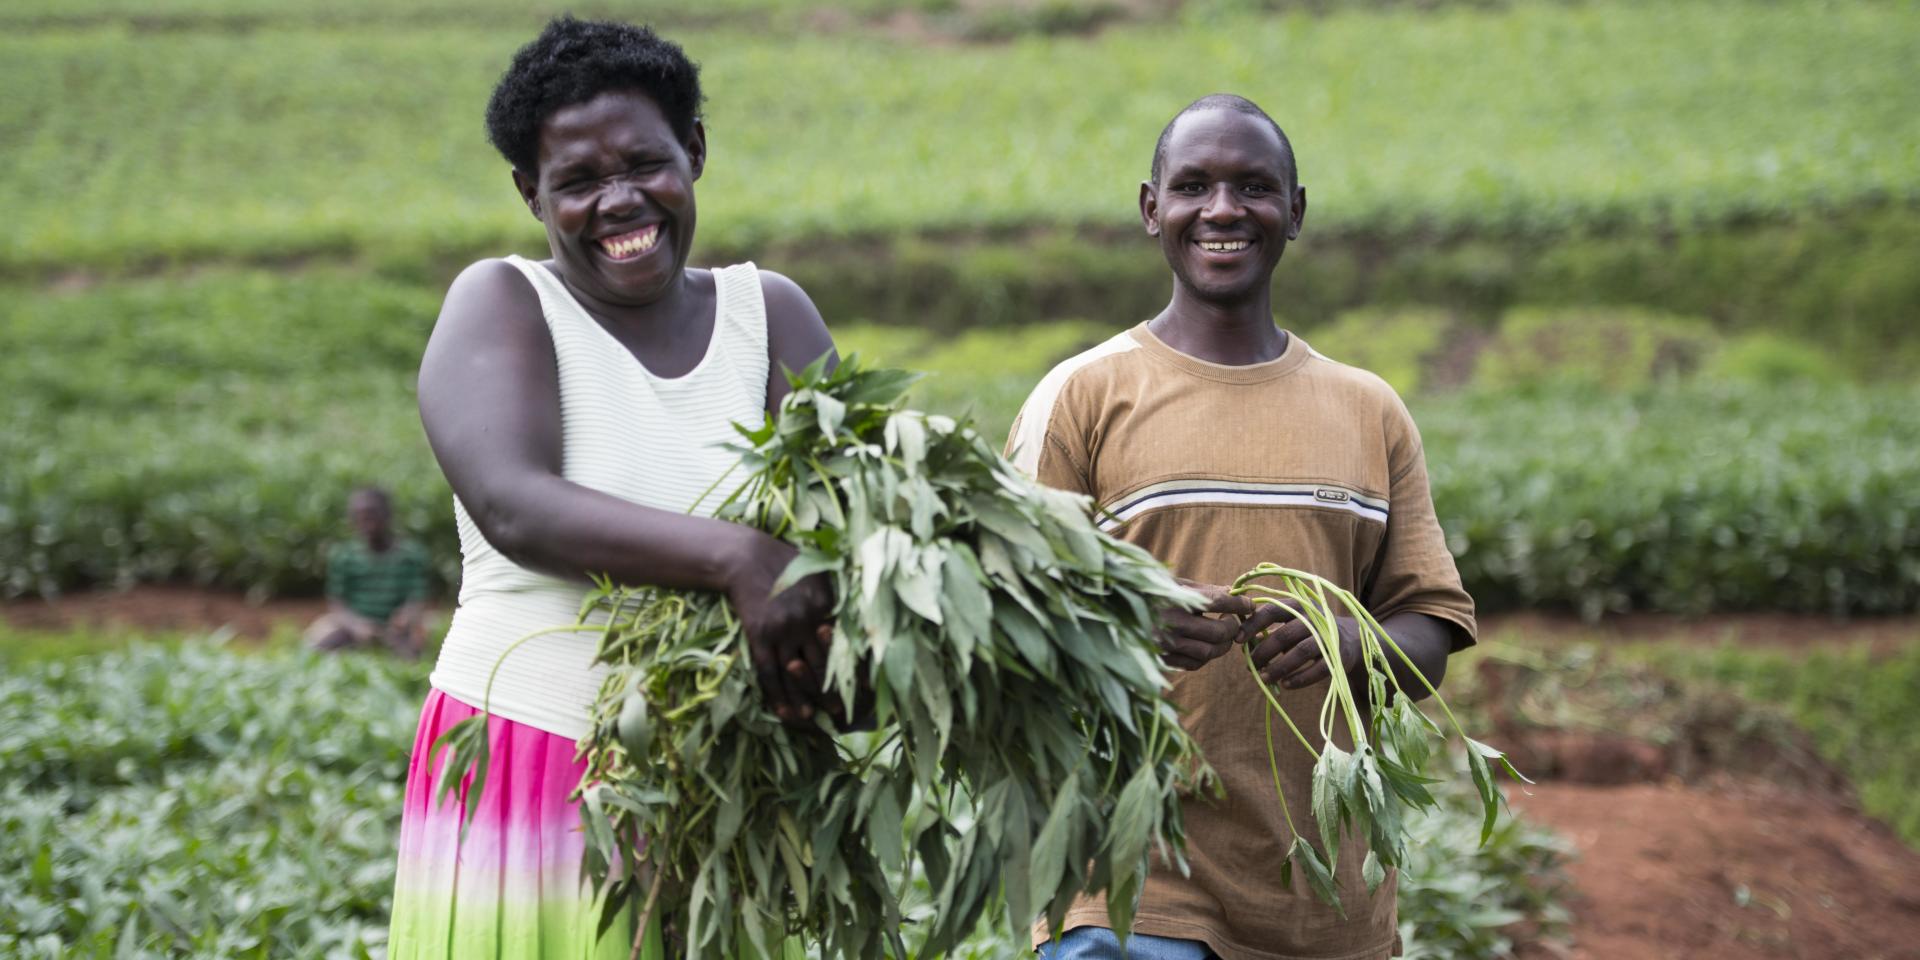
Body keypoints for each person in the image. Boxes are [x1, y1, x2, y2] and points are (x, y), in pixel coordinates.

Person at [388, 17, 840, 960]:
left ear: (697, 152)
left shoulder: (772, 315)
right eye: (580, 183)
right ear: (530, 193)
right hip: (535, 757)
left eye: (645, 165)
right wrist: (738, 558)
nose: (620, 202)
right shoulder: (505, 302)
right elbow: (514, 502)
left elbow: (849, 525)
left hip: (731, 783)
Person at [1007, 95, 1478, 960]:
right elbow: (1003, 622)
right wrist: (1123, 624)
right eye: (1194, 186)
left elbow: (1430, 633)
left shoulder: (1368, 410)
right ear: (1153, 210)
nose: (1223, 210)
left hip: (1322, 901)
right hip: (1125, 889)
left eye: (1254, 186)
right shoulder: (1083, 394)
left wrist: (1350, 644)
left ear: (1295, 211)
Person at [304, 486, 432, 659]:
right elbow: (337, 602)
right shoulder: (344, 556)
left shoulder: (410, 556)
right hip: (355, 627)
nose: (366, 521)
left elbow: (416, 598)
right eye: (359, 516)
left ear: (387, 515)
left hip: (396, 629)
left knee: (414, 651)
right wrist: (356, 625)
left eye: (372, 515)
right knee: (318, 647)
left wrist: (405, 617)